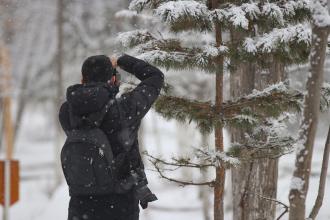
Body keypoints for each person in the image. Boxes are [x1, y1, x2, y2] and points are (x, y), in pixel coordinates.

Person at [59, 54, 165, 220]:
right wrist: (122, 60)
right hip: (120, 204)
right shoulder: (124, 109)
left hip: (80, 205)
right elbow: (155, 77)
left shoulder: (66, 111)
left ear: (82, 79)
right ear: (114, 79)